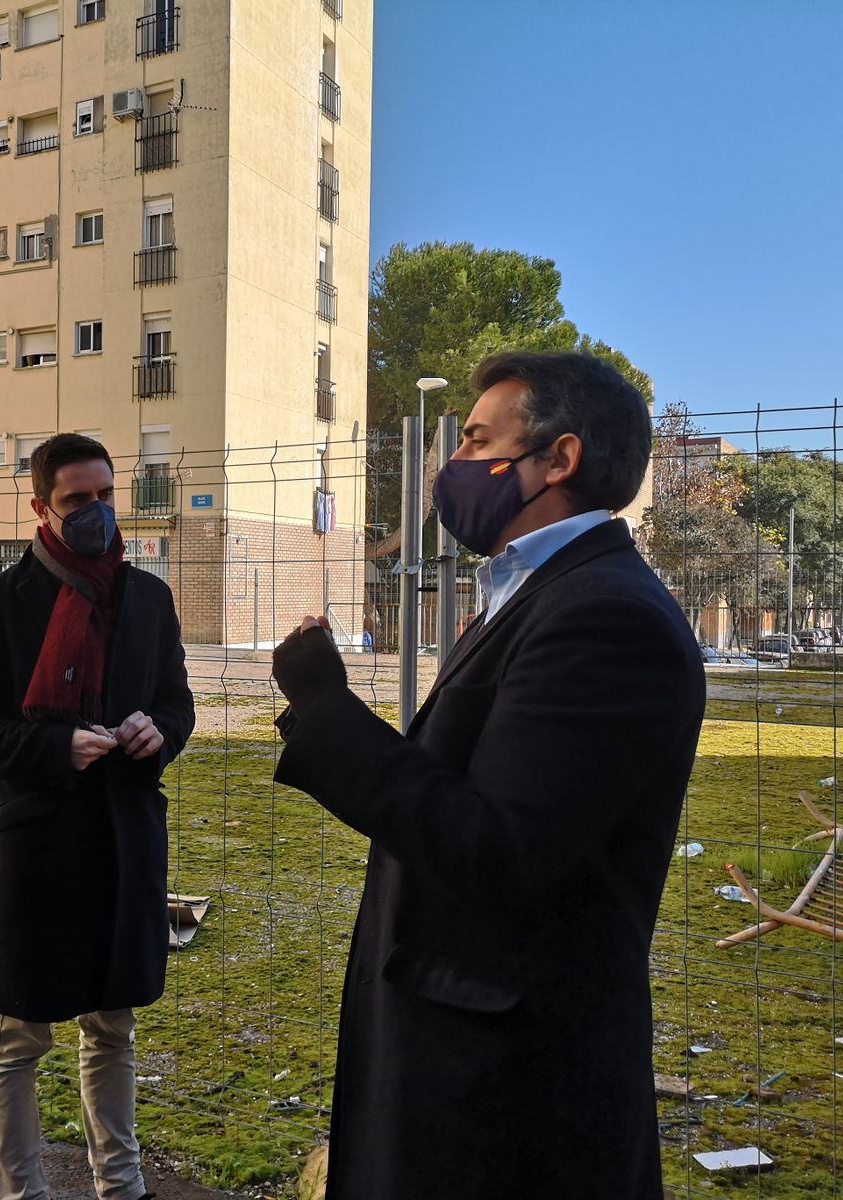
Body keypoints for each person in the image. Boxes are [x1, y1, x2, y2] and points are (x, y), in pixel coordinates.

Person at [270, 351, 706, 1198]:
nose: (453, 467)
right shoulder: (539, 594)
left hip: (509, 1093)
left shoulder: (605, 616)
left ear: (559, 459)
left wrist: (326, 708)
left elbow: (499, 846)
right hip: (459, 1047)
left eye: (475, 440)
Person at [0, 434, 195, 1200]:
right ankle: (20, 1190)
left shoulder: (148, 597)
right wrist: (56, 746)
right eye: (76, 501)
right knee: (19, 1034)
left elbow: (175, 700)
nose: (96, 513)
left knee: (112, 1025)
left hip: (123, 840)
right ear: (40, 507)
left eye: (105, 495)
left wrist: (160, 732)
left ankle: (120, 1187)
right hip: (39, 847)